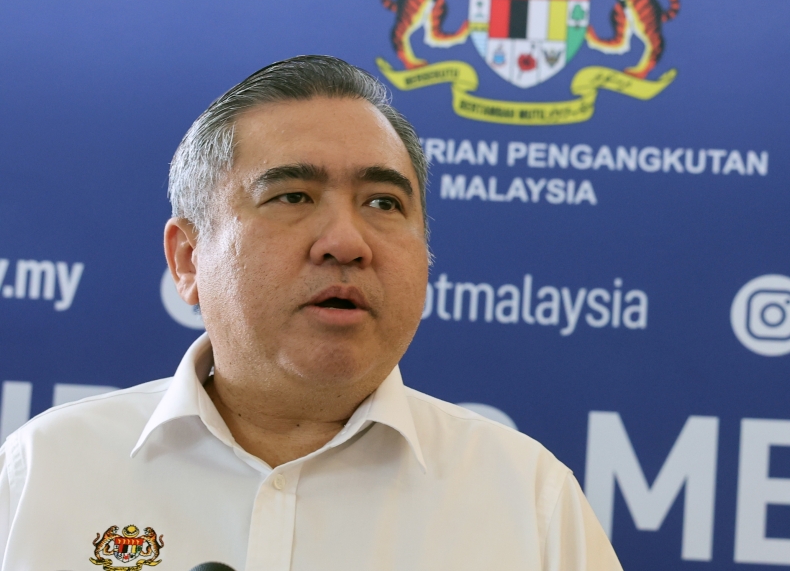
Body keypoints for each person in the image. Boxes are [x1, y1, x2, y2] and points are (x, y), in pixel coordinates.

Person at [0, 56, 622, 570]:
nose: (347, 242)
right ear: (189, 259)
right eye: (292, 196)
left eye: (383, 202)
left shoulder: (529, 503)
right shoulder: (44, 472)